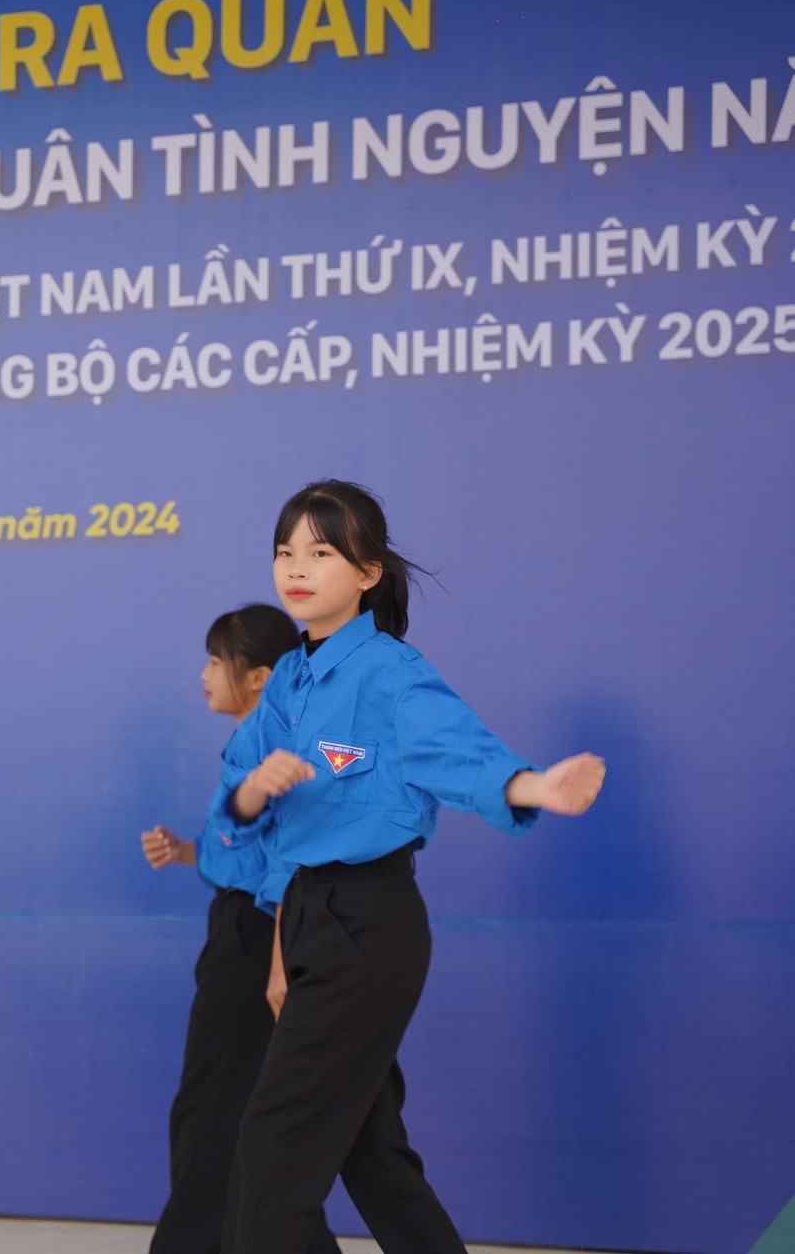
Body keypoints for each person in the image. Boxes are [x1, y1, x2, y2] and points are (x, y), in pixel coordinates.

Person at [215, 481, 605, 1254]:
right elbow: (241, 801)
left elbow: (453, 751)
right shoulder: (288, 678)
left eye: (320, 552)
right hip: (305, 918)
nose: (296, 567)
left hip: (367, 925)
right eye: (284, 552)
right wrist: (257, 801)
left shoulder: (390, 674)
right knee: (370, 1154)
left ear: (367, 573)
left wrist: (531, 785)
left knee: (271, 1161)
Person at [141, 604, 339, 1254]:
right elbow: (247, 850)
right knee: (246, 1115)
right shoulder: (257, 735)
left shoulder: (271, 743)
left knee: (209, 1111)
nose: (203, 674)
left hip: (255, 940)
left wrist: (280, 963)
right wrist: (188, 851)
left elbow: (290, 859)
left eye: (213, 661)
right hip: (244, 929)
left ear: (256, 677)